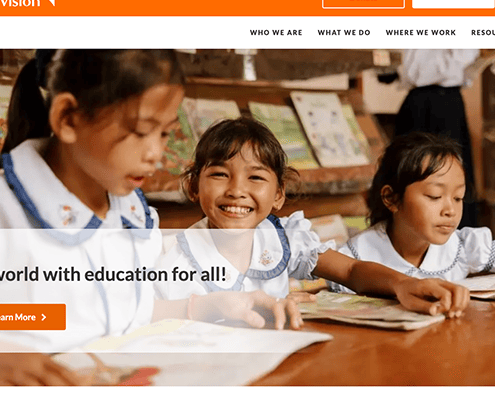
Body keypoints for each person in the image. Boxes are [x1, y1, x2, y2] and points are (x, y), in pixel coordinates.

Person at [0, 50, 300, 385]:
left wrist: (208, 305)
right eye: (141, 133)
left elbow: (119, 314)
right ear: (68, 118)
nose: (156, 153)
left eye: (165, 133)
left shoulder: (129, 214)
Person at [155, 118, 470, 317]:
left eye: (256, 178)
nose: (237, 190)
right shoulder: (177, 259)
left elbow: (350, 269)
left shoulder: (282, 238)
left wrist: (403, 284)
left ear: (279, 194)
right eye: (220, 174)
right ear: (194, 186)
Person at [331, 132, 495, 293]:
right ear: (391, 198)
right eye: (434, 196)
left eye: (458, 198)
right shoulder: (355, 256)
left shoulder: (463, 247)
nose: (450, 211)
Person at [394, 49, 480, 228]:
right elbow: (467, 55)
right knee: (439, 172)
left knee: (426, 173)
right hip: (437, 102)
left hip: (426, 100)